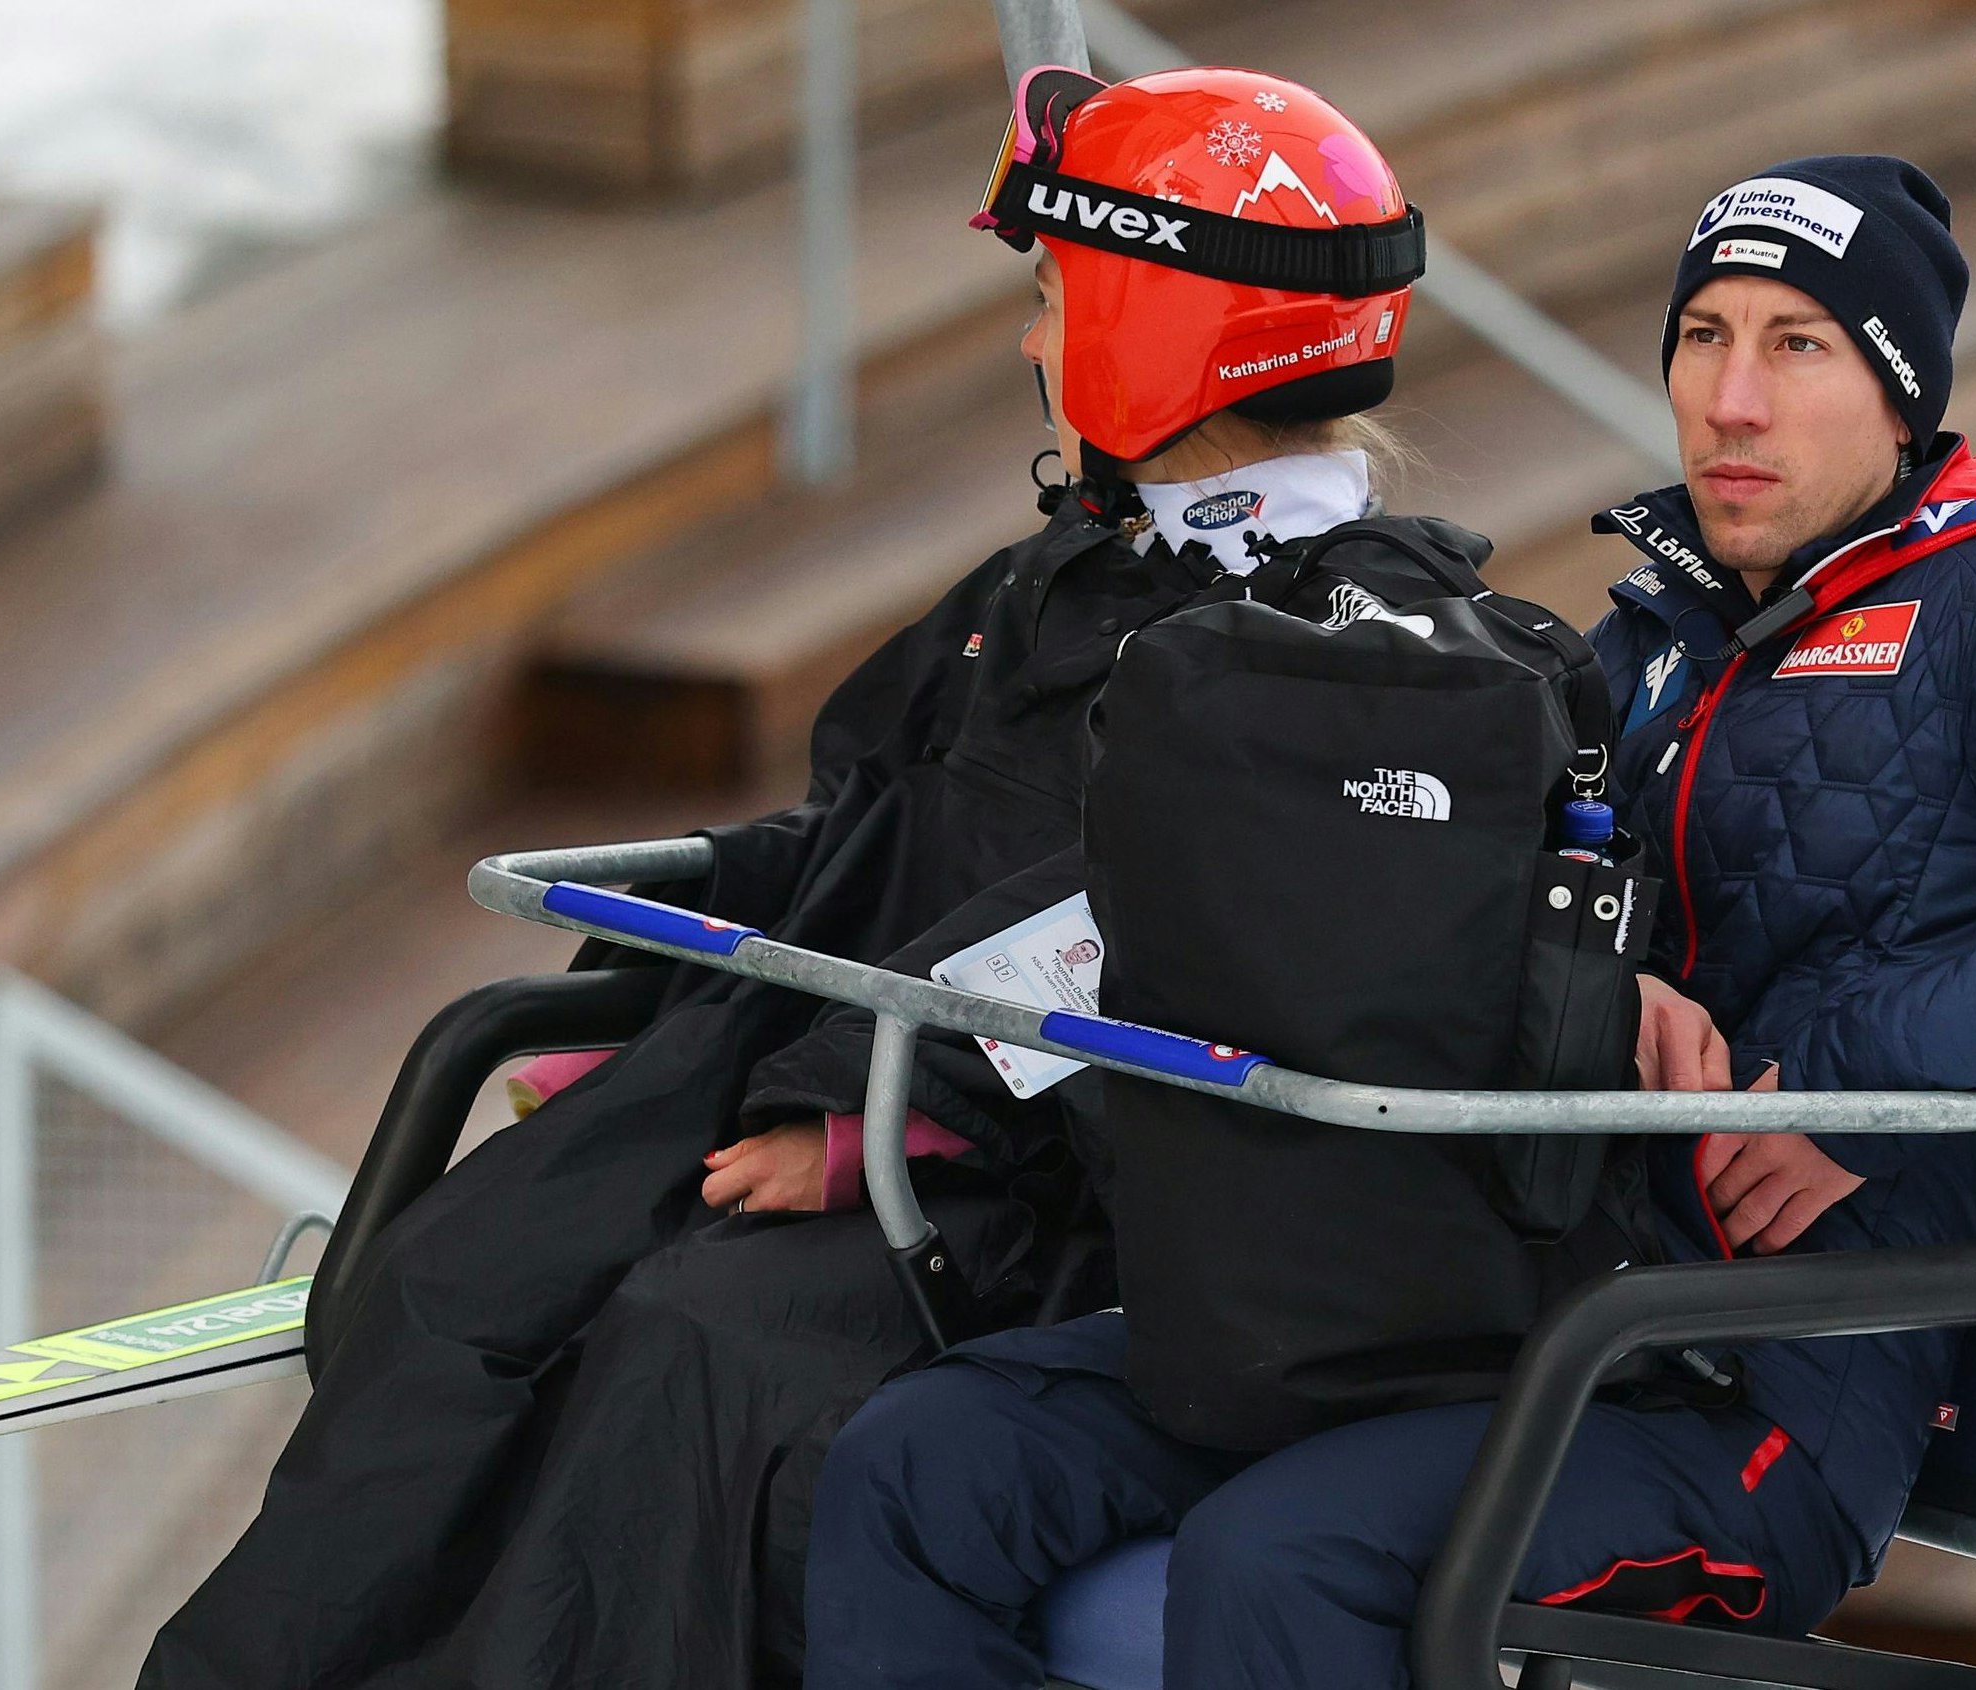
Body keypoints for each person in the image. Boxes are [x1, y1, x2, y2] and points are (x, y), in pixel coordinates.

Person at [796, 154, 1976, 1689]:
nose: (1731, 399)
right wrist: (1596, 991)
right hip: (1491, 1297)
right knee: (929, 1461)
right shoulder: (1652, 634)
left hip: (1752, 1391)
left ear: (1899, 391)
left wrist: (1860, 1089)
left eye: (1798, 346)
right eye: (1702, 336)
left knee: (1284, 1560)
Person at [141, 62, 1446, 1690]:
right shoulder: (1056, 580)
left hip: (1060, 1183)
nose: (1032, 344)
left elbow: (1150, 930)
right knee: (457, 1273)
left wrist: (865, 1110)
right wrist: (676, 974)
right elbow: (869, 830)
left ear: (1152, 324)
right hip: (863, 1084)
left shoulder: (1340, 646)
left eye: (1054, 299)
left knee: (697, 1356)